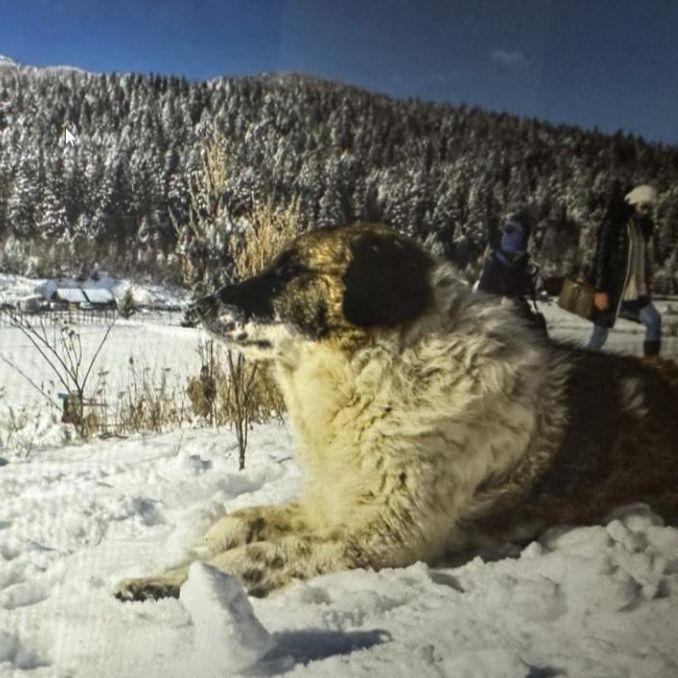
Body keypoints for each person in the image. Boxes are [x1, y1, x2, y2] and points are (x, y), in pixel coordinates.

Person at [586, 184, 662, 356]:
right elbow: (601, 258)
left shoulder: (640, 227)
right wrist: (600, 291)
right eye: (643, 206)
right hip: (612, 290)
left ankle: (651, 366)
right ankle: (578, 370)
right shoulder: (615, 223)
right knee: (599, 335)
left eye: (649, 208)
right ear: (633, 202)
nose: (646, 212)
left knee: (654, 320)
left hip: (633, 292)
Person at [476, 210, 547, 335]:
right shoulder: (496, 263)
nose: (505, 234)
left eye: (510, 230)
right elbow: (482, 300)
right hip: (494, 320)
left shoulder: (520, 262)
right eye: (506, 229)